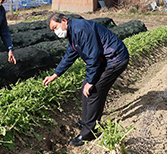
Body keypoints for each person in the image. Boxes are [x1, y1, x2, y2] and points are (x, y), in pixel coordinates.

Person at [43, 13, 129, 146]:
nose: (56, 32)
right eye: (53, 30)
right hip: (105, 60)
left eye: (55, 27)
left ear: (64, 21)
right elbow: (69, 55)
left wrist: (91, 82)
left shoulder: (81, 29)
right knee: (86, 86)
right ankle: (87, 121)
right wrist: (55, 75)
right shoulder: (72, 32)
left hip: (115, 59)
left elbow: (93, 58)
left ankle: (88, 133)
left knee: (94, 89)